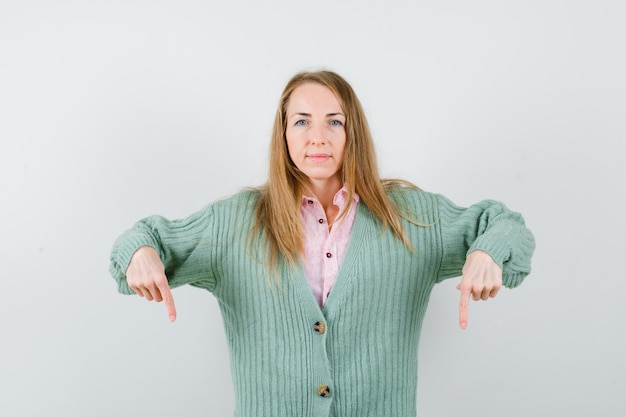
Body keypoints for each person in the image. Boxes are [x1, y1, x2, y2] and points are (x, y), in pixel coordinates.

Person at [109, 70, 535, 417]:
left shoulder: (409, 216)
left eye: (334, 121)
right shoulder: (235, 222)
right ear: (284, 134)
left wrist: (486, 251)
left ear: (353, 131)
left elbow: (506, 225)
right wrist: (141, 253)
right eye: (302, 121)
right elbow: (143, 239)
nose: (318, 136)